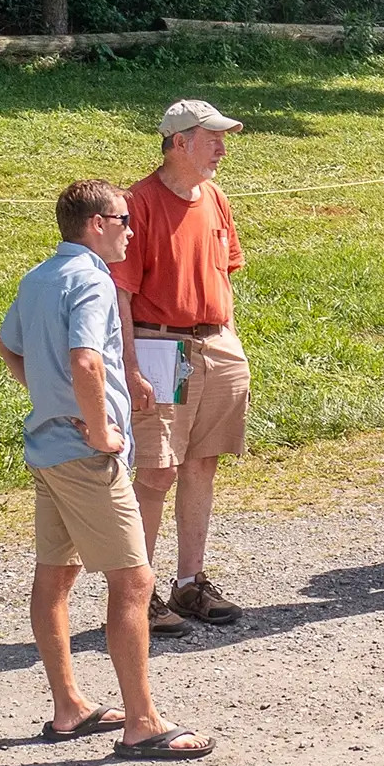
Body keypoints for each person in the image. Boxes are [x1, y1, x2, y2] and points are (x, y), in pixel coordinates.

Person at [0, 180, 212, 759]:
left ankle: (69, 707)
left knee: (56, 574)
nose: (131, 230)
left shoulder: (39, 277)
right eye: (122, 219)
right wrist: (97, 428)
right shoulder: (92, 279)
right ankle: (142, 723)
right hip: (86, 456)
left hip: (47, 449)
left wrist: (49, 400)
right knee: (135, 580)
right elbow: (87, 361)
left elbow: (8, 344)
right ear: (96, 224)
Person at [113, 98, 251, 633]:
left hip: (216, 343)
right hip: (158, 345)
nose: (221, 147)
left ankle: (190, 585)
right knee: (157, 469)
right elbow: (121, 296)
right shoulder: (137, 202)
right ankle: (139, 593)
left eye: (222, 137)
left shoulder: (215, 196)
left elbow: (226, 274)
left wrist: (230, 342)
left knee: (202, 463)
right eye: (210, 137)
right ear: (177, 143)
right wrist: (130, 367)